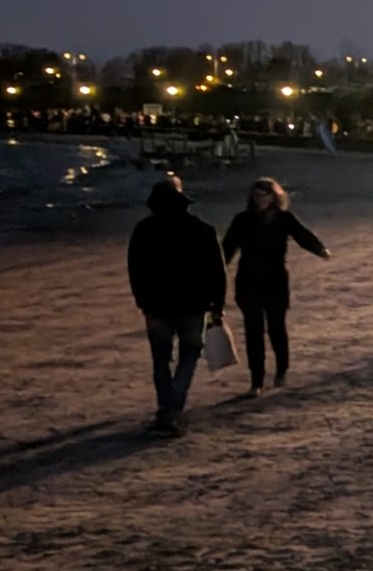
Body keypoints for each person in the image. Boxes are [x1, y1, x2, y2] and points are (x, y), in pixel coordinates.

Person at [127, 175, 227, 437]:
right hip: (194, 306)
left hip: (157, 307)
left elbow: (136, 271)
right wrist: (217, 304)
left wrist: (143, 301)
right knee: (189, 357)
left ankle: (167, 409)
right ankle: (173, 409)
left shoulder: (144, 230)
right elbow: (216, 272)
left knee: (160, 359)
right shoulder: (202, 230)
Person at [221, 177, 330, 394]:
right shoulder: (242, 220)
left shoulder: (284, 218)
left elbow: (302, 235)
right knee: (253, 333)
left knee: (276, 328)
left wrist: (319, 249)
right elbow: (228, 247)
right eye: (257, 195)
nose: (261, 199)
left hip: (275, 280)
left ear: (274, 197)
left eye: (265, 195)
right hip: (248, 281)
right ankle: (256, 381)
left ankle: (281, 370)